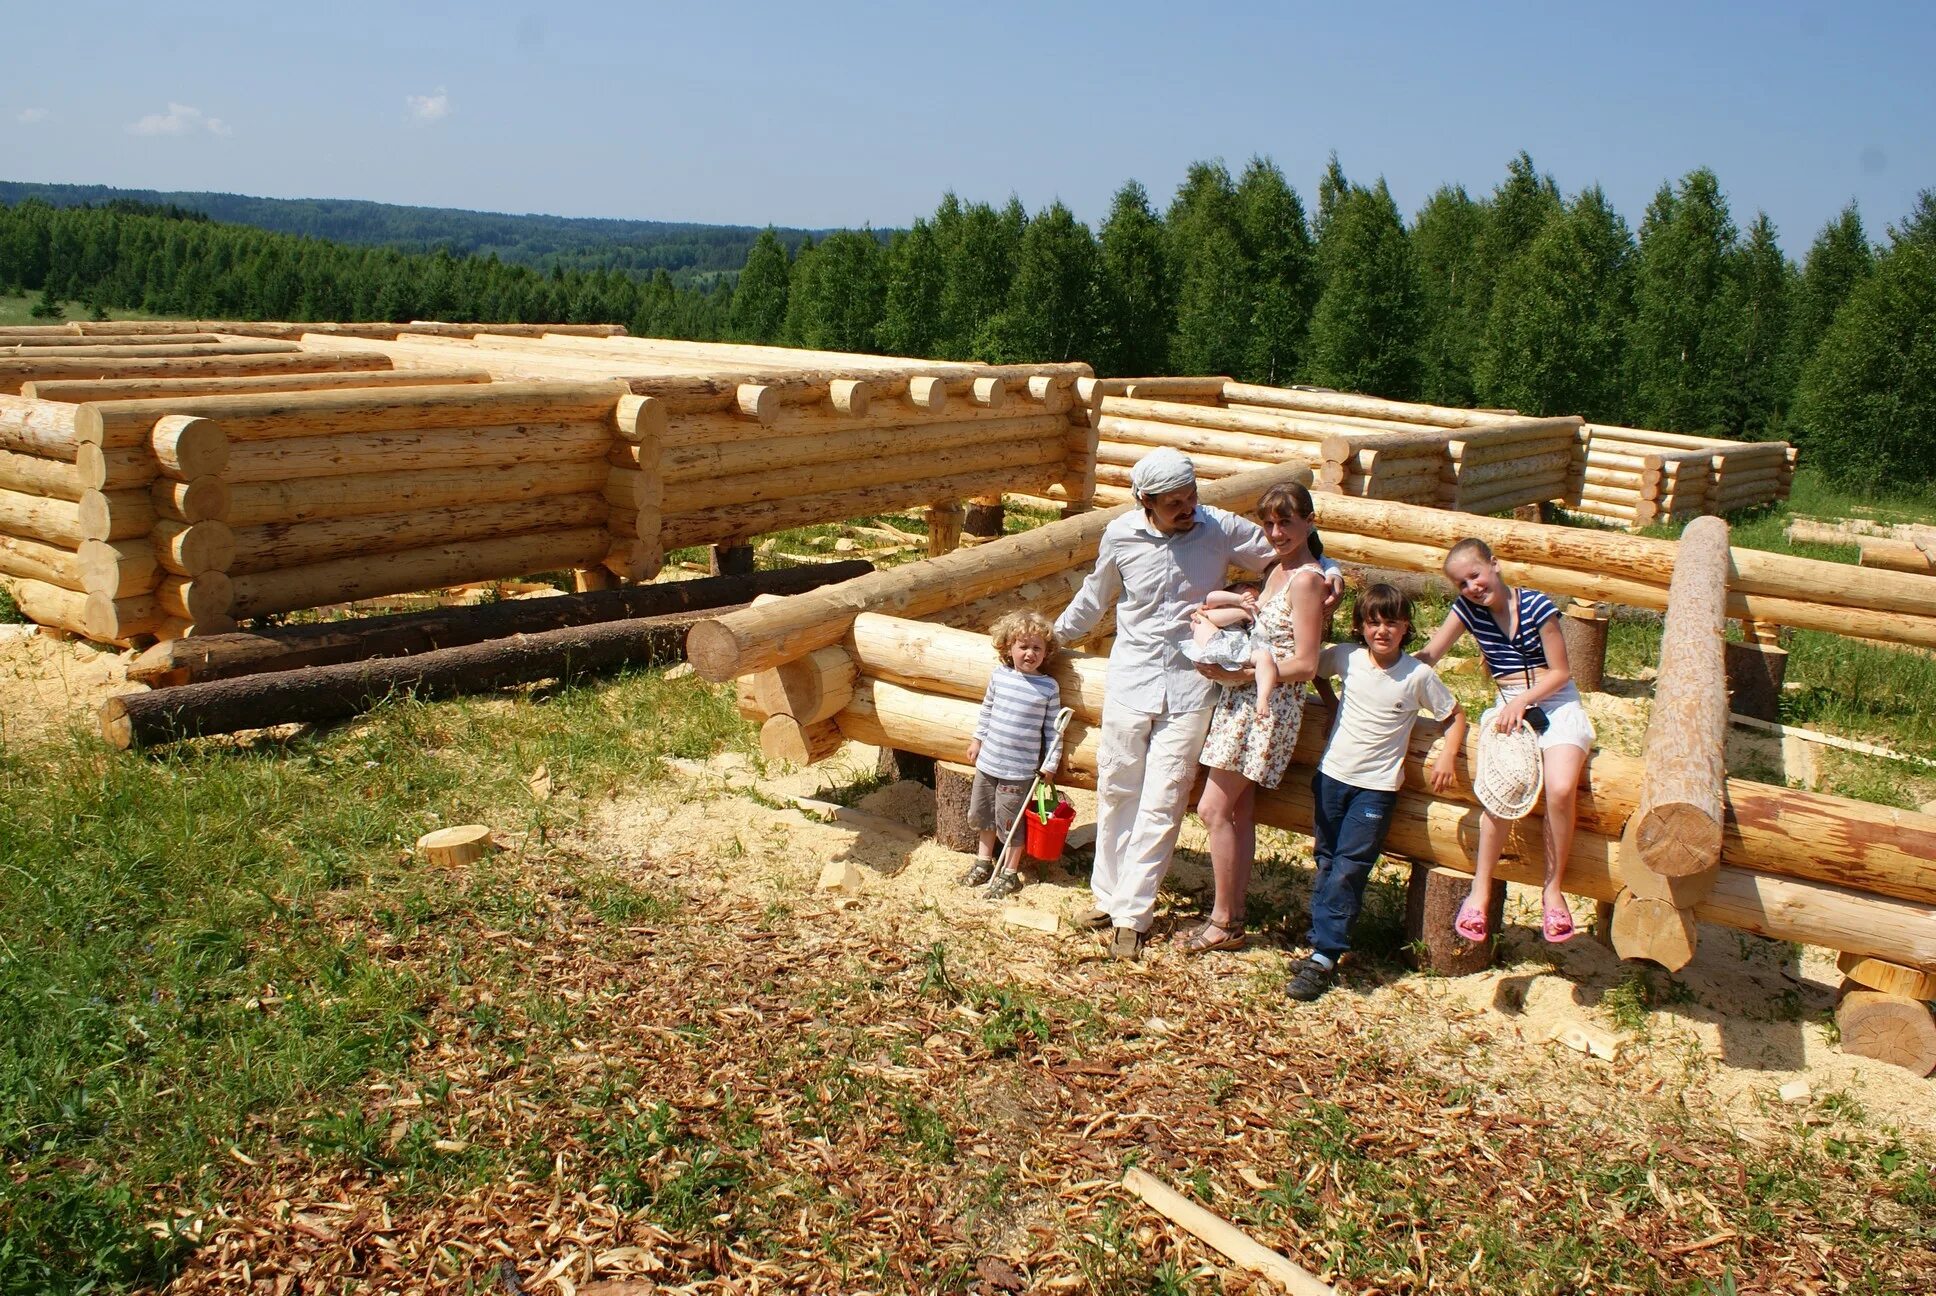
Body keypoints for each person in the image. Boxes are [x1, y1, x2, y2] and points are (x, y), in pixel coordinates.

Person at [1053, 449, 1289, 960]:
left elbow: (1280, 555)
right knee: (1116, 786)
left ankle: (1132, 916)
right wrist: (1051, 638)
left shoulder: (1219, 527)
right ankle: (1108, 897)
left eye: (1191, 497)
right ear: (1146, 502)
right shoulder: (1120, 535)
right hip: (1131, 678)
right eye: (1174, 503)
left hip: (1193, 686)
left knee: (1164, 797)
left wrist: (1324, 574)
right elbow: (1095, 598)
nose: (1188, 508)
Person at [1285, 584, 1468, 1001]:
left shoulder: (1418, 675)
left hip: (1376, 788)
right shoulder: (1347, 657)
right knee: (1327, 857)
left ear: (1406, 628)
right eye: (1373, 622)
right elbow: (1313, 666)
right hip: (1332, 775)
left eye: (1391, 622)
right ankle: (1320, 942)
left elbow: (1453, 715)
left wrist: (1448, 755)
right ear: (1361, 626)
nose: (1381, 630)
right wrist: (1331, 704)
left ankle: (1326, 955)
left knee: (1350, 865)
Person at [1415, 538, 1596, 944]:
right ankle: (1480, 890)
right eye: (1462, 583)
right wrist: (1390, 663)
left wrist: (1523, 701)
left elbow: (1561, 672)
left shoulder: (1535, 605)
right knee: (1501, 790)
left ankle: (1553, 891)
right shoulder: (1467, 611)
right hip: (1510, 702)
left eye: (1475, 575)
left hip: (1553, 701)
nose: (1472, 587)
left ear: (1494, 566)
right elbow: (1432, 653)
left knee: (1562, 788)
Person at [1181, 481, 1333, 954]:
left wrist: (1244, 670)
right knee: (1238, 810)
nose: (1275, 531)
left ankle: (1223, 920)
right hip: (1243, 697)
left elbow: (1307, 663)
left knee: (1212, 808)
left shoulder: (1307, 580)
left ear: (1308, 521)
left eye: (1285, 521)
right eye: (1268, 523)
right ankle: (1234, 915)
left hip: (1266, 704)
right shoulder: (1276, 573)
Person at [962, 610, 1066, 901]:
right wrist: (977, 739)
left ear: (1047, 652)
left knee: (1010, 821)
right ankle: (984, 861)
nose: (1029, 654)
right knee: (982, 815)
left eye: (1037, 648)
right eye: (1023, 646)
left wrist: (1050, 764)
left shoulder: (1048, 687)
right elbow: (987, 709)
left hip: (1019, 771)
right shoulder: (1000, 676)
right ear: (1008, 648)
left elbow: (1053, 731)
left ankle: (1010, 871)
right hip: (988, 763)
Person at [1183, 583, 1280, 720]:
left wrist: (1248, 614)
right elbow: (1212, 597)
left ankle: (1263, 697)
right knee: (1200, 622)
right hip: (1214, 650)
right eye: (1246, 596)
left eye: (1255, 599)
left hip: (1238, 653)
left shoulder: (1244, 623)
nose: (1251, 601)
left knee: (1264, 656)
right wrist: (1238, 600)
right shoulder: (1211, 612)